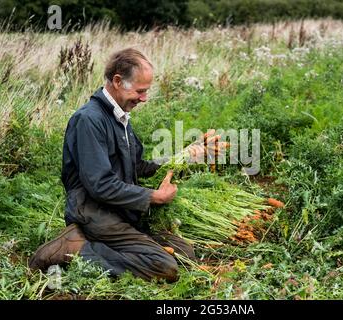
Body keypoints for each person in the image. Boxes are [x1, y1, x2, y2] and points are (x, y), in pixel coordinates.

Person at [29, 48, 223, 282]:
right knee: (164, 266)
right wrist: (155, 196)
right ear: (118, 81)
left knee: (185, 253)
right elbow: (99, 185)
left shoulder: (119, 117)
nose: (144, 98)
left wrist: (187, 155)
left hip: (120, 212)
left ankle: (93, 245)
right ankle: (75, 249)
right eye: (141, 91)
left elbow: (137, 167)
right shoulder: (89, 120)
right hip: (96, 214)